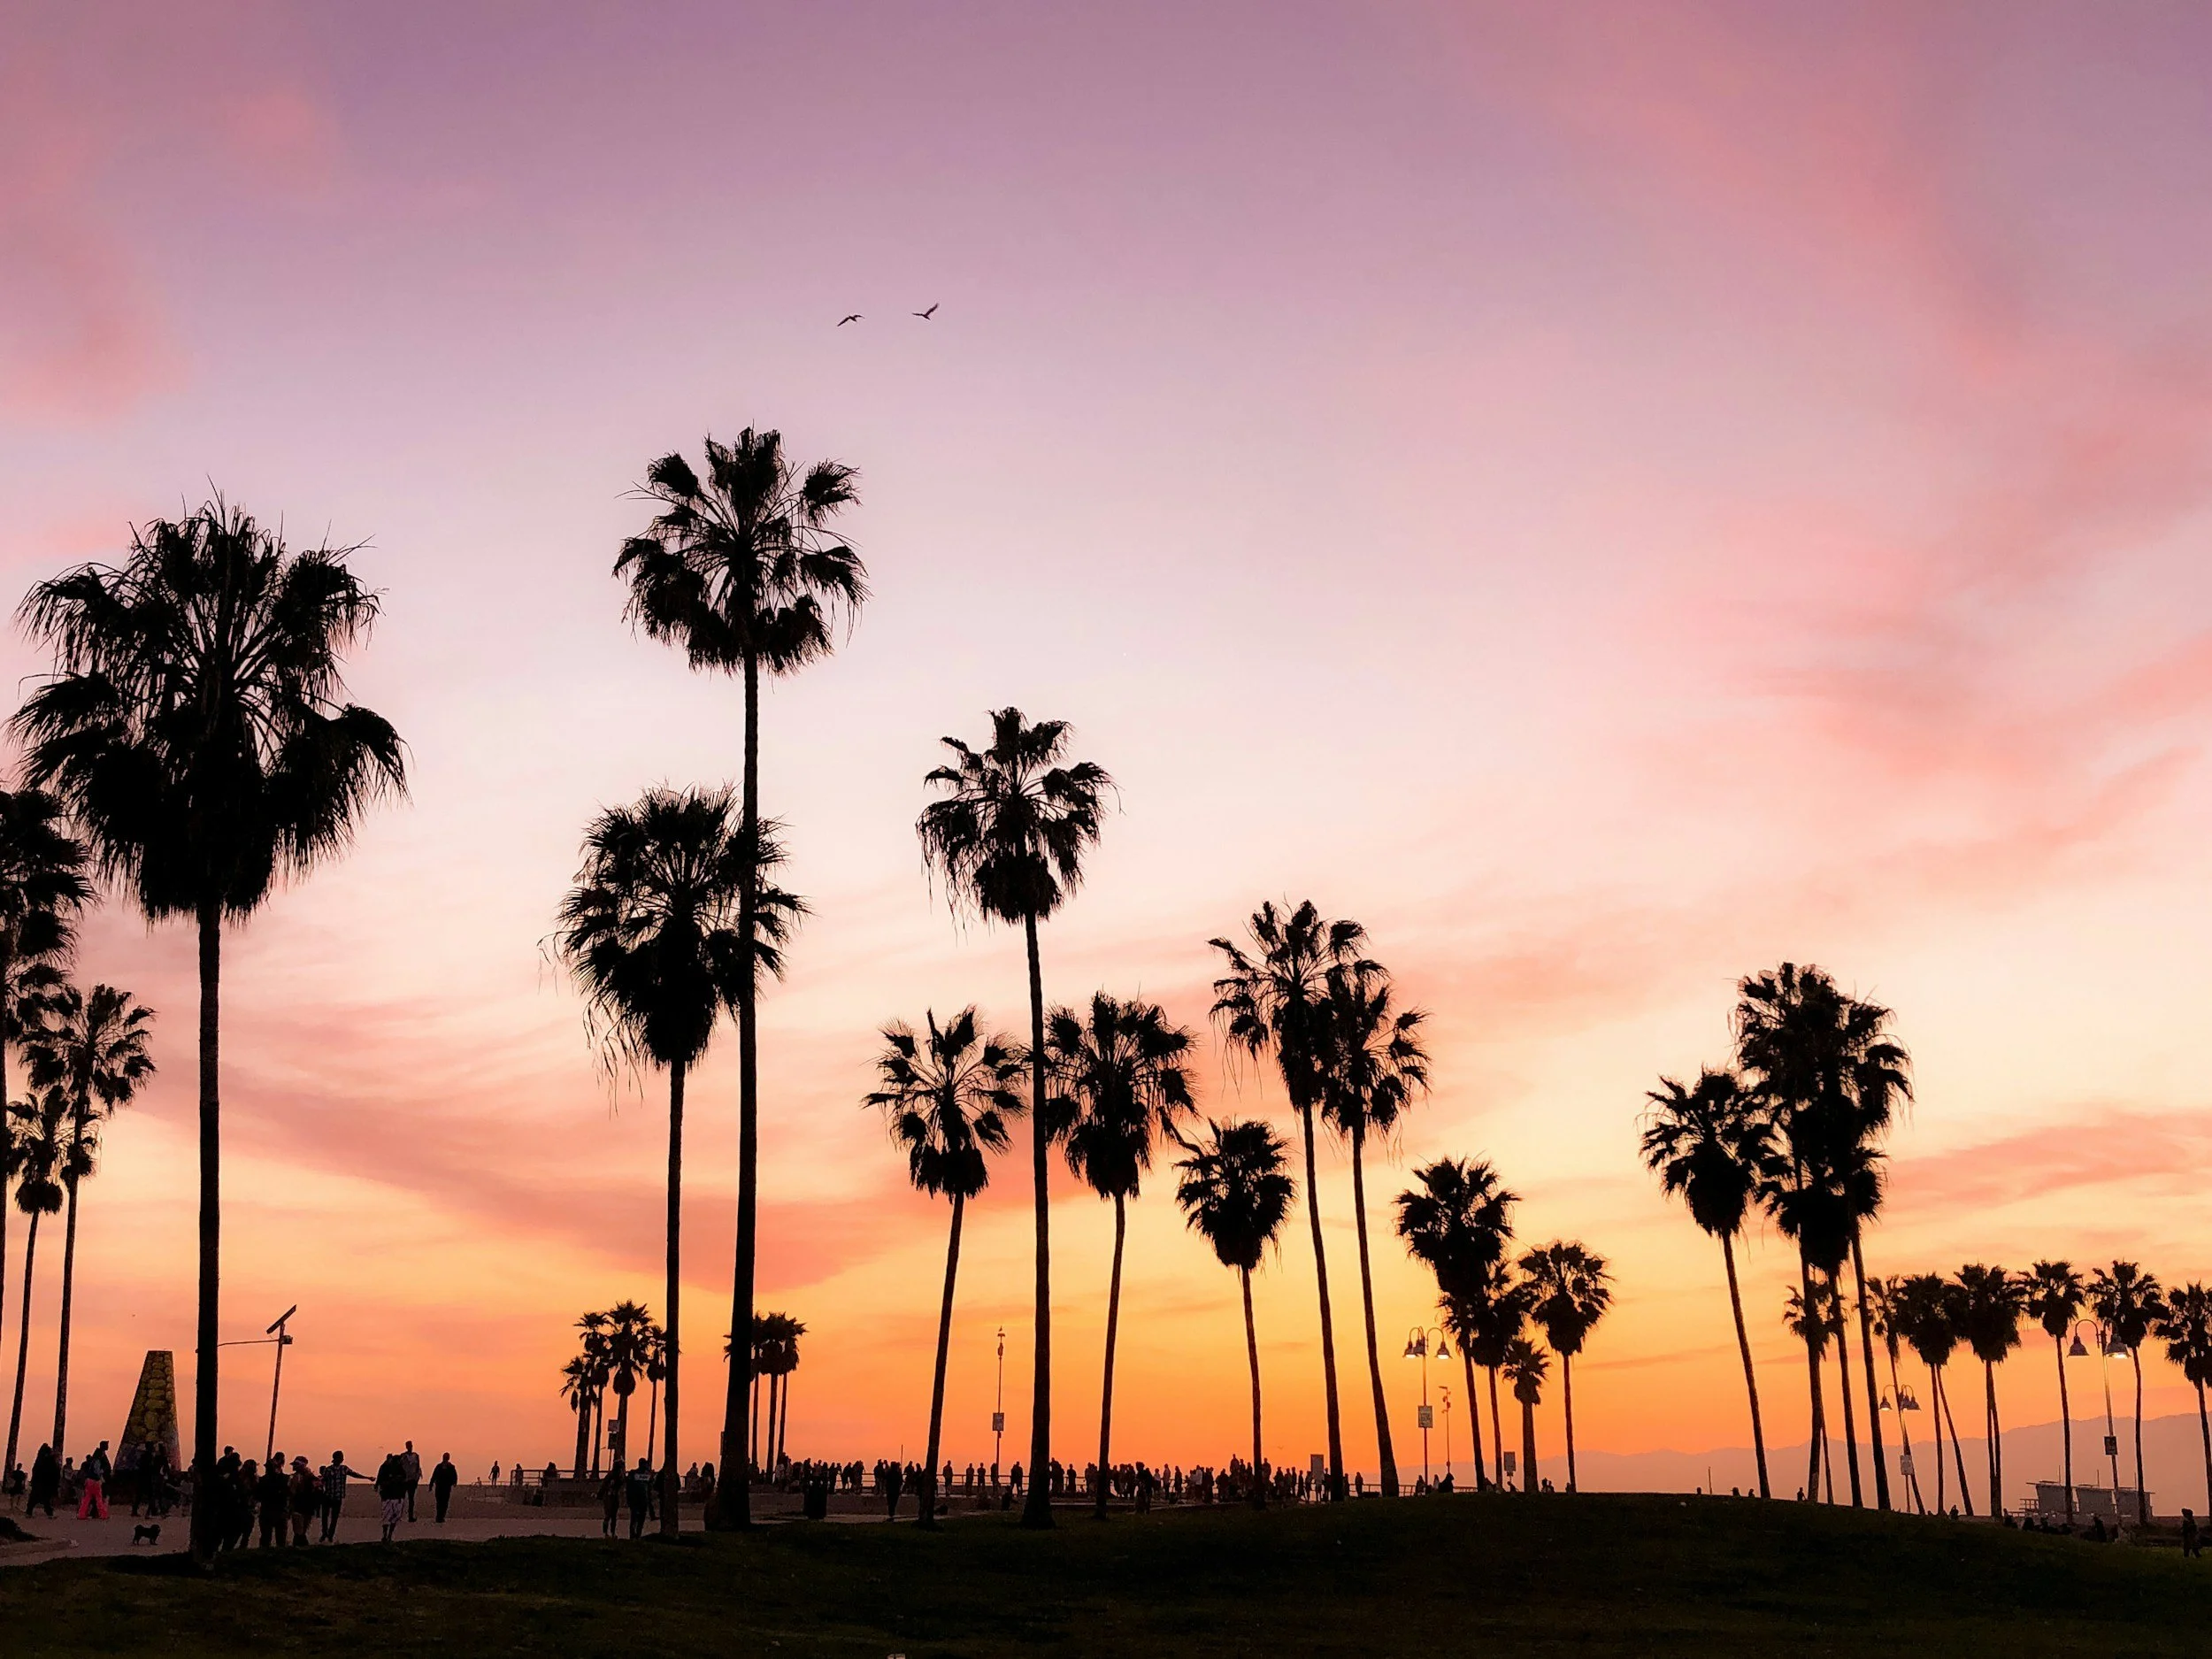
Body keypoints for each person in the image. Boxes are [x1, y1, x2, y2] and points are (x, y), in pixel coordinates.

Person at [321, 1451, 369, 1543]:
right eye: (340, 1457)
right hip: (327, 1496)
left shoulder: (344, 1469)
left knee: (334, 1518)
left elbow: (355, 1474)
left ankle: (330, 1535)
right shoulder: (328, 1470)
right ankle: (324, 1533)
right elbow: (323, 1480)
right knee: (325, 1516)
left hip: (338, 1497)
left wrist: (366, 1478)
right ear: (336, 1458)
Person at [373, 1451, 410, 1543]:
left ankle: (388, 1536)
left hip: (396, 1497)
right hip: (389, 1497)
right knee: (388, 1517)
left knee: (393, 1517)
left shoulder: (400, 1469)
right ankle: (386, 1536)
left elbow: (404, 1481)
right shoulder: (385, 1468)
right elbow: (381, 1479)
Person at [257, 1455, 290, 1548]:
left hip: (270, 1511)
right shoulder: (284, 1479)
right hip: (277, 1510)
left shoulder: (263, 1480)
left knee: (267, 1537)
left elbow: (258, 1496)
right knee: (279, 1538)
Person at [78, 1440, 112, 1519]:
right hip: (95, 1481)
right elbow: (97, 1471)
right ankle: (103, 1515)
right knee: (99, 1499)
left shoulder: (94, 1459)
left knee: (87, 1499)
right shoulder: (98, 1460)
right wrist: (102, 1473)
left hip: (89, 1481)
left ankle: (82, 1514)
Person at [289, 1456, 319, 1545]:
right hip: (302, 1507)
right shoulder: (298, 1477)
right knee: (300, 1530)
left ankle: (300, 1546)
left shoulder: (309, 1477)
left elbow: (292, 1492)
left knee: (300, 1530)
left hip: (304, 1506)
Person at [624, 1455, 653, 1539]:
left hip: (643, 1500)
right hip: (635, 1500)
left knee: (640, 1519)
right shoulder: (633, 1473)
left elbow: (650, 1486)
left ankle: (638, 1535)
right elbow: (629, 1487)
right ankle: (633, 1535)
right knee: (634, 1519)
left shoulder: (646, 1475)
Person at [27, 1445, 60, 1518]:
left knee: (36, 1498)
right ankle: (49, 1513)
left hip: (39, 1483)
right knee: (45, 1499)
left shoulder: (39, 1460)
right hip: (46, 1483)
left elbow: (35, 1471)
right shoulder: (49, 1460)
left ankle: (29, 1512)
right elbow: (54, 1472)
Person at [600, 1457, 625, 1538]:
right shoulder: (612, 1475)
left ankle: (611, 1532)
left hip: (613, 1496)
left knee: (613, 1516)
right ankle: (607, 1533)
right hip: (609, 1496)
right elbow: (604, 1486)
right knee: (609, 1515)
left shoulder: (618, 1475)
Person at [431, 1453, 458, 1523]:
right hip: (439, 1486)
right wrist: (431, 1484)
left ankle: (441, 1516)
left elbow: (454, 1476)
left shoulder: (451, 1467)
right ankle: (439, 1517)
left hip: (446, 1487)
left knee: (445, 1502)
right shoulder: (439, 1466)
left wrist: (454, 1482)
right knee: (439, 1502)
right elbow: (434, 1476)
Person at [402, 1440, 423, 1523]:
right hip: (405, 1480)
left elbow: (418, 1467)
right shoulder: (403, 1456)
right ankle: (398, 1515)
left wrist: (416, 1478)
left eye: (411, 1446)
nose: (410, 1447)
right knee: (401, 1498)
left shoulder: (416, 1456)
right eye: (409, 1446)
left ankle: (410, 1516)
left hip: (412, 1480)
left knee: (411, 1499)